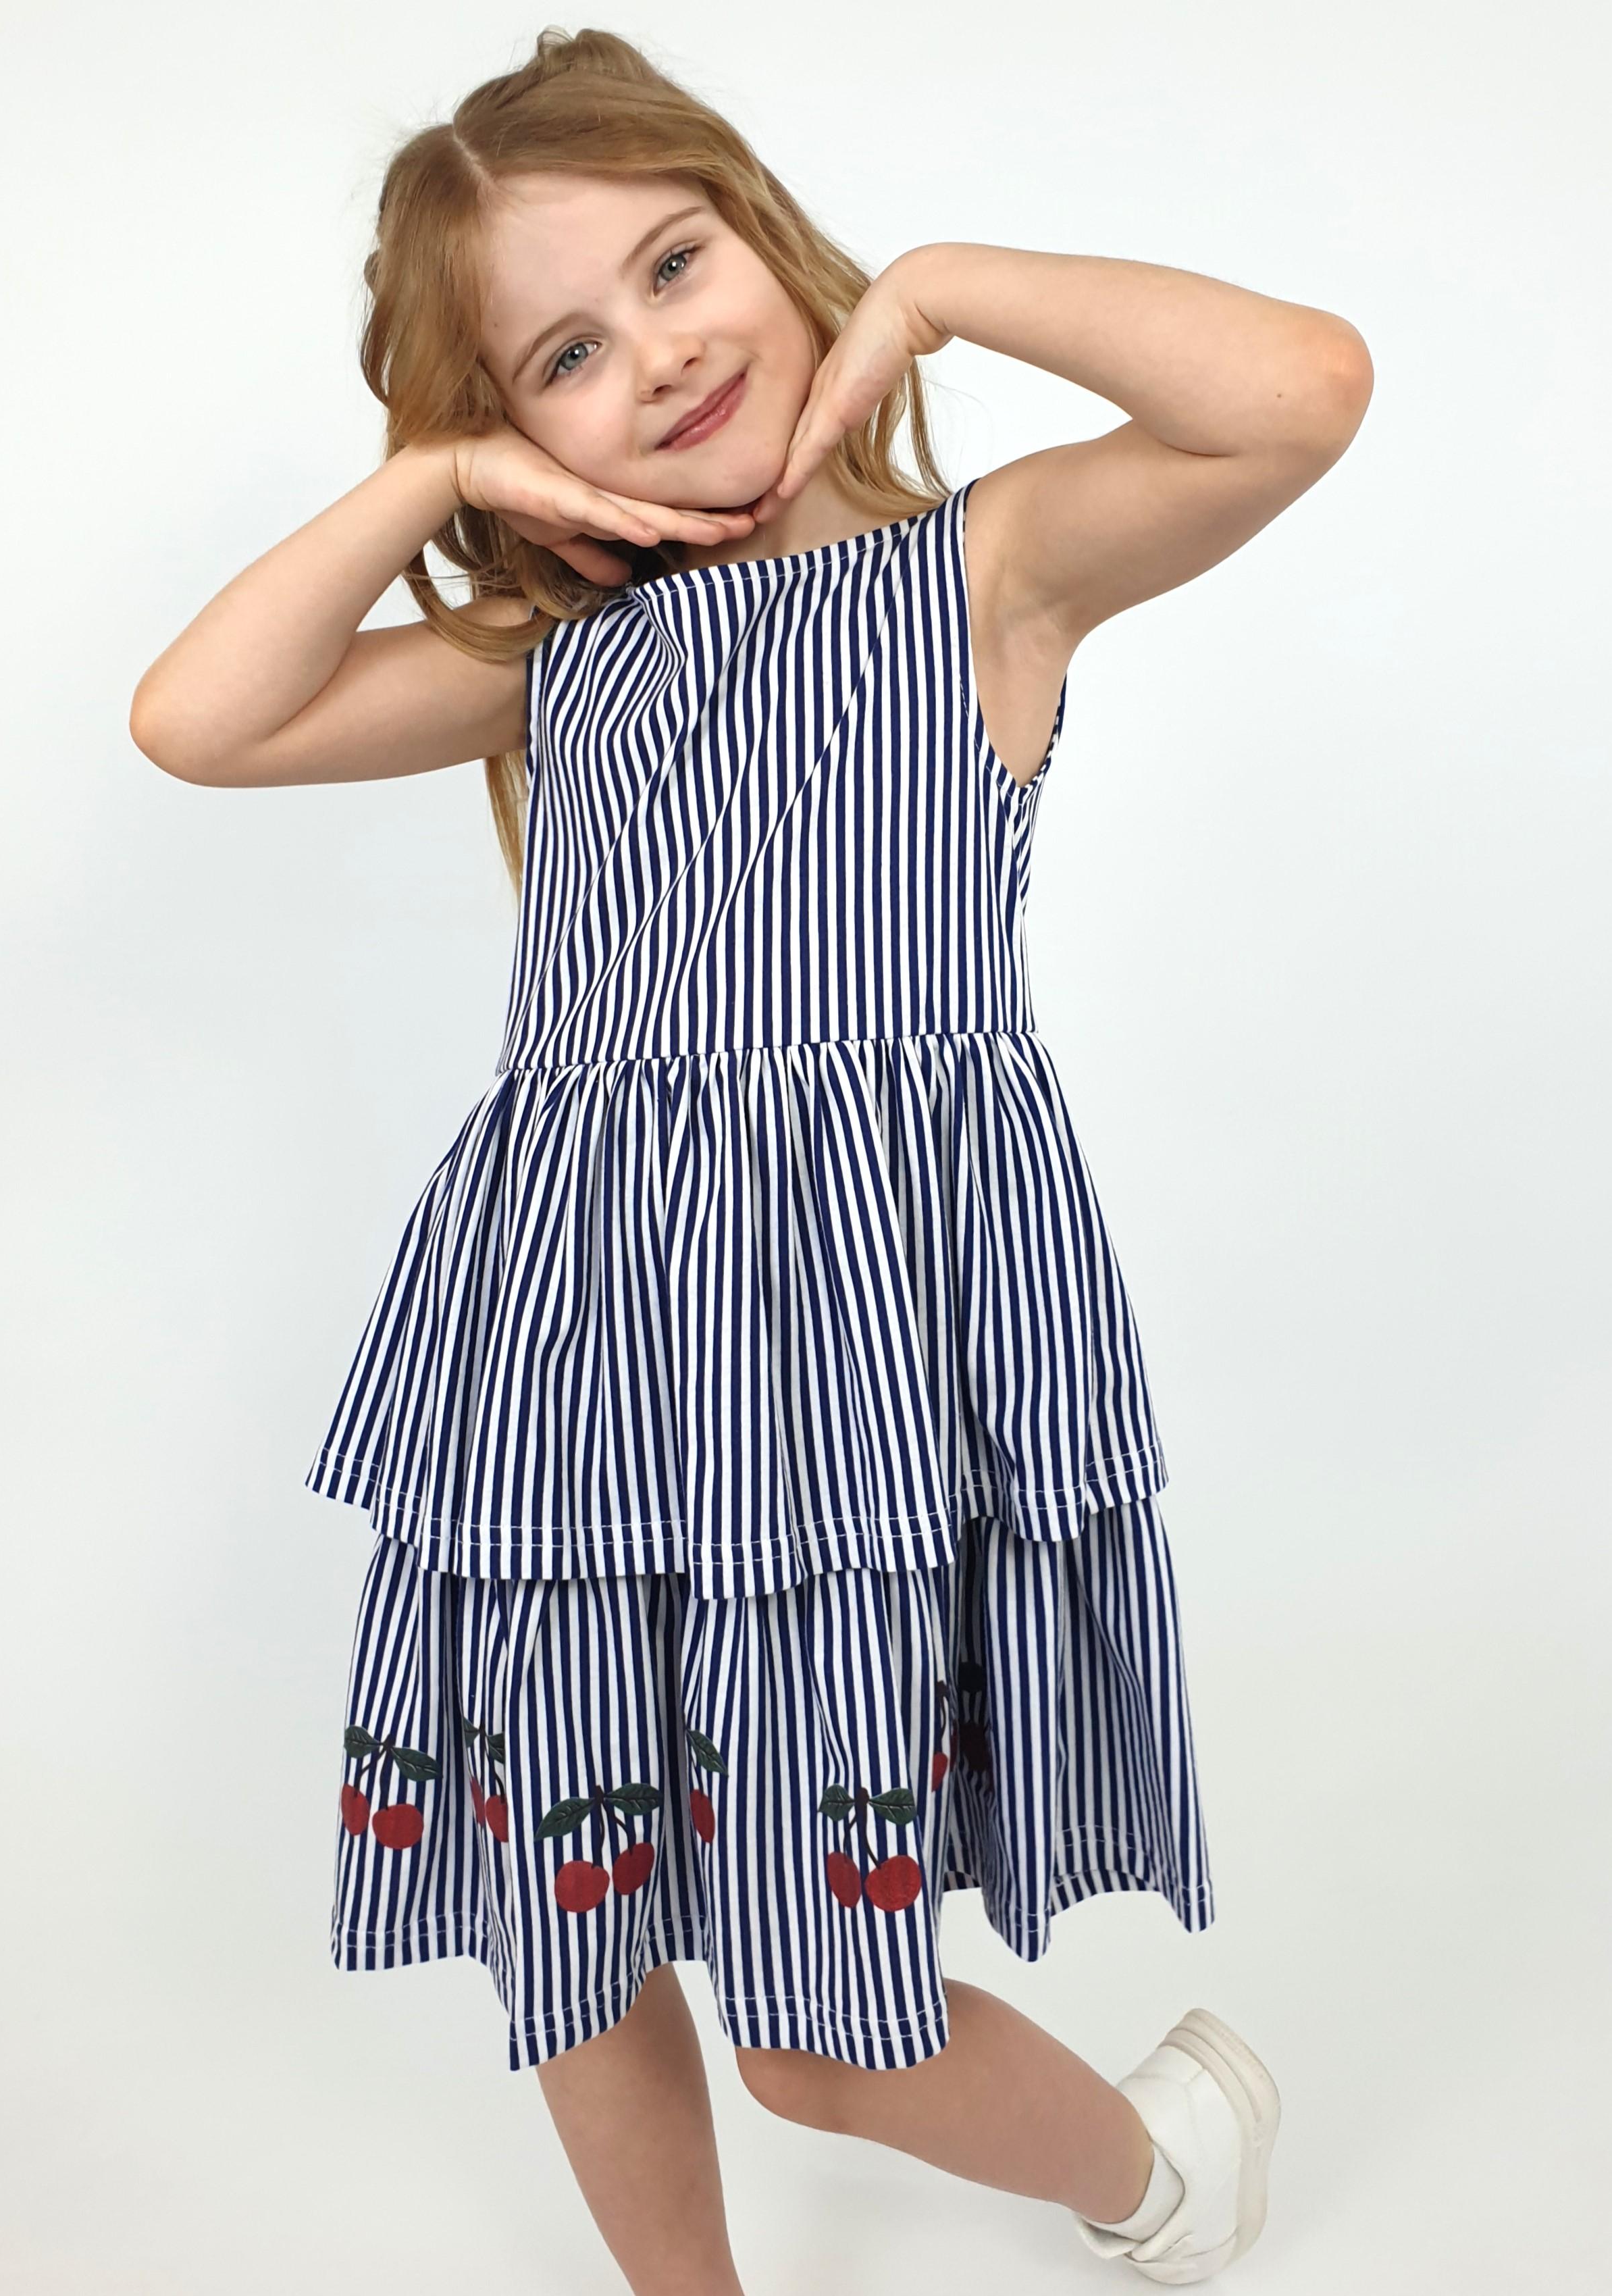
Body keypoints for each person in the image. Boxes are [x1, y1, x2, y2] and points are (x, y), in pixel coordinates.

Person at [130, 26, 1370, 2290]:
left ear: (769, 239)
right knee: (572, 1923)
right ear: (521, 433)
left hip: (843, 1387)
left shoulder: (981, 578)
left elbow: (1300, 390)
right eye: (565, 356)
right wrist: (438, 482)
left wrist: (940, 289)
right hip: (563, 1383)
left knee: (815, 2035)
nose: (659, 355)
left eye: (677, 266)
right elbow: (194, 721)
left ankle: (1160, 2167)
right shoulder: (550, 655)